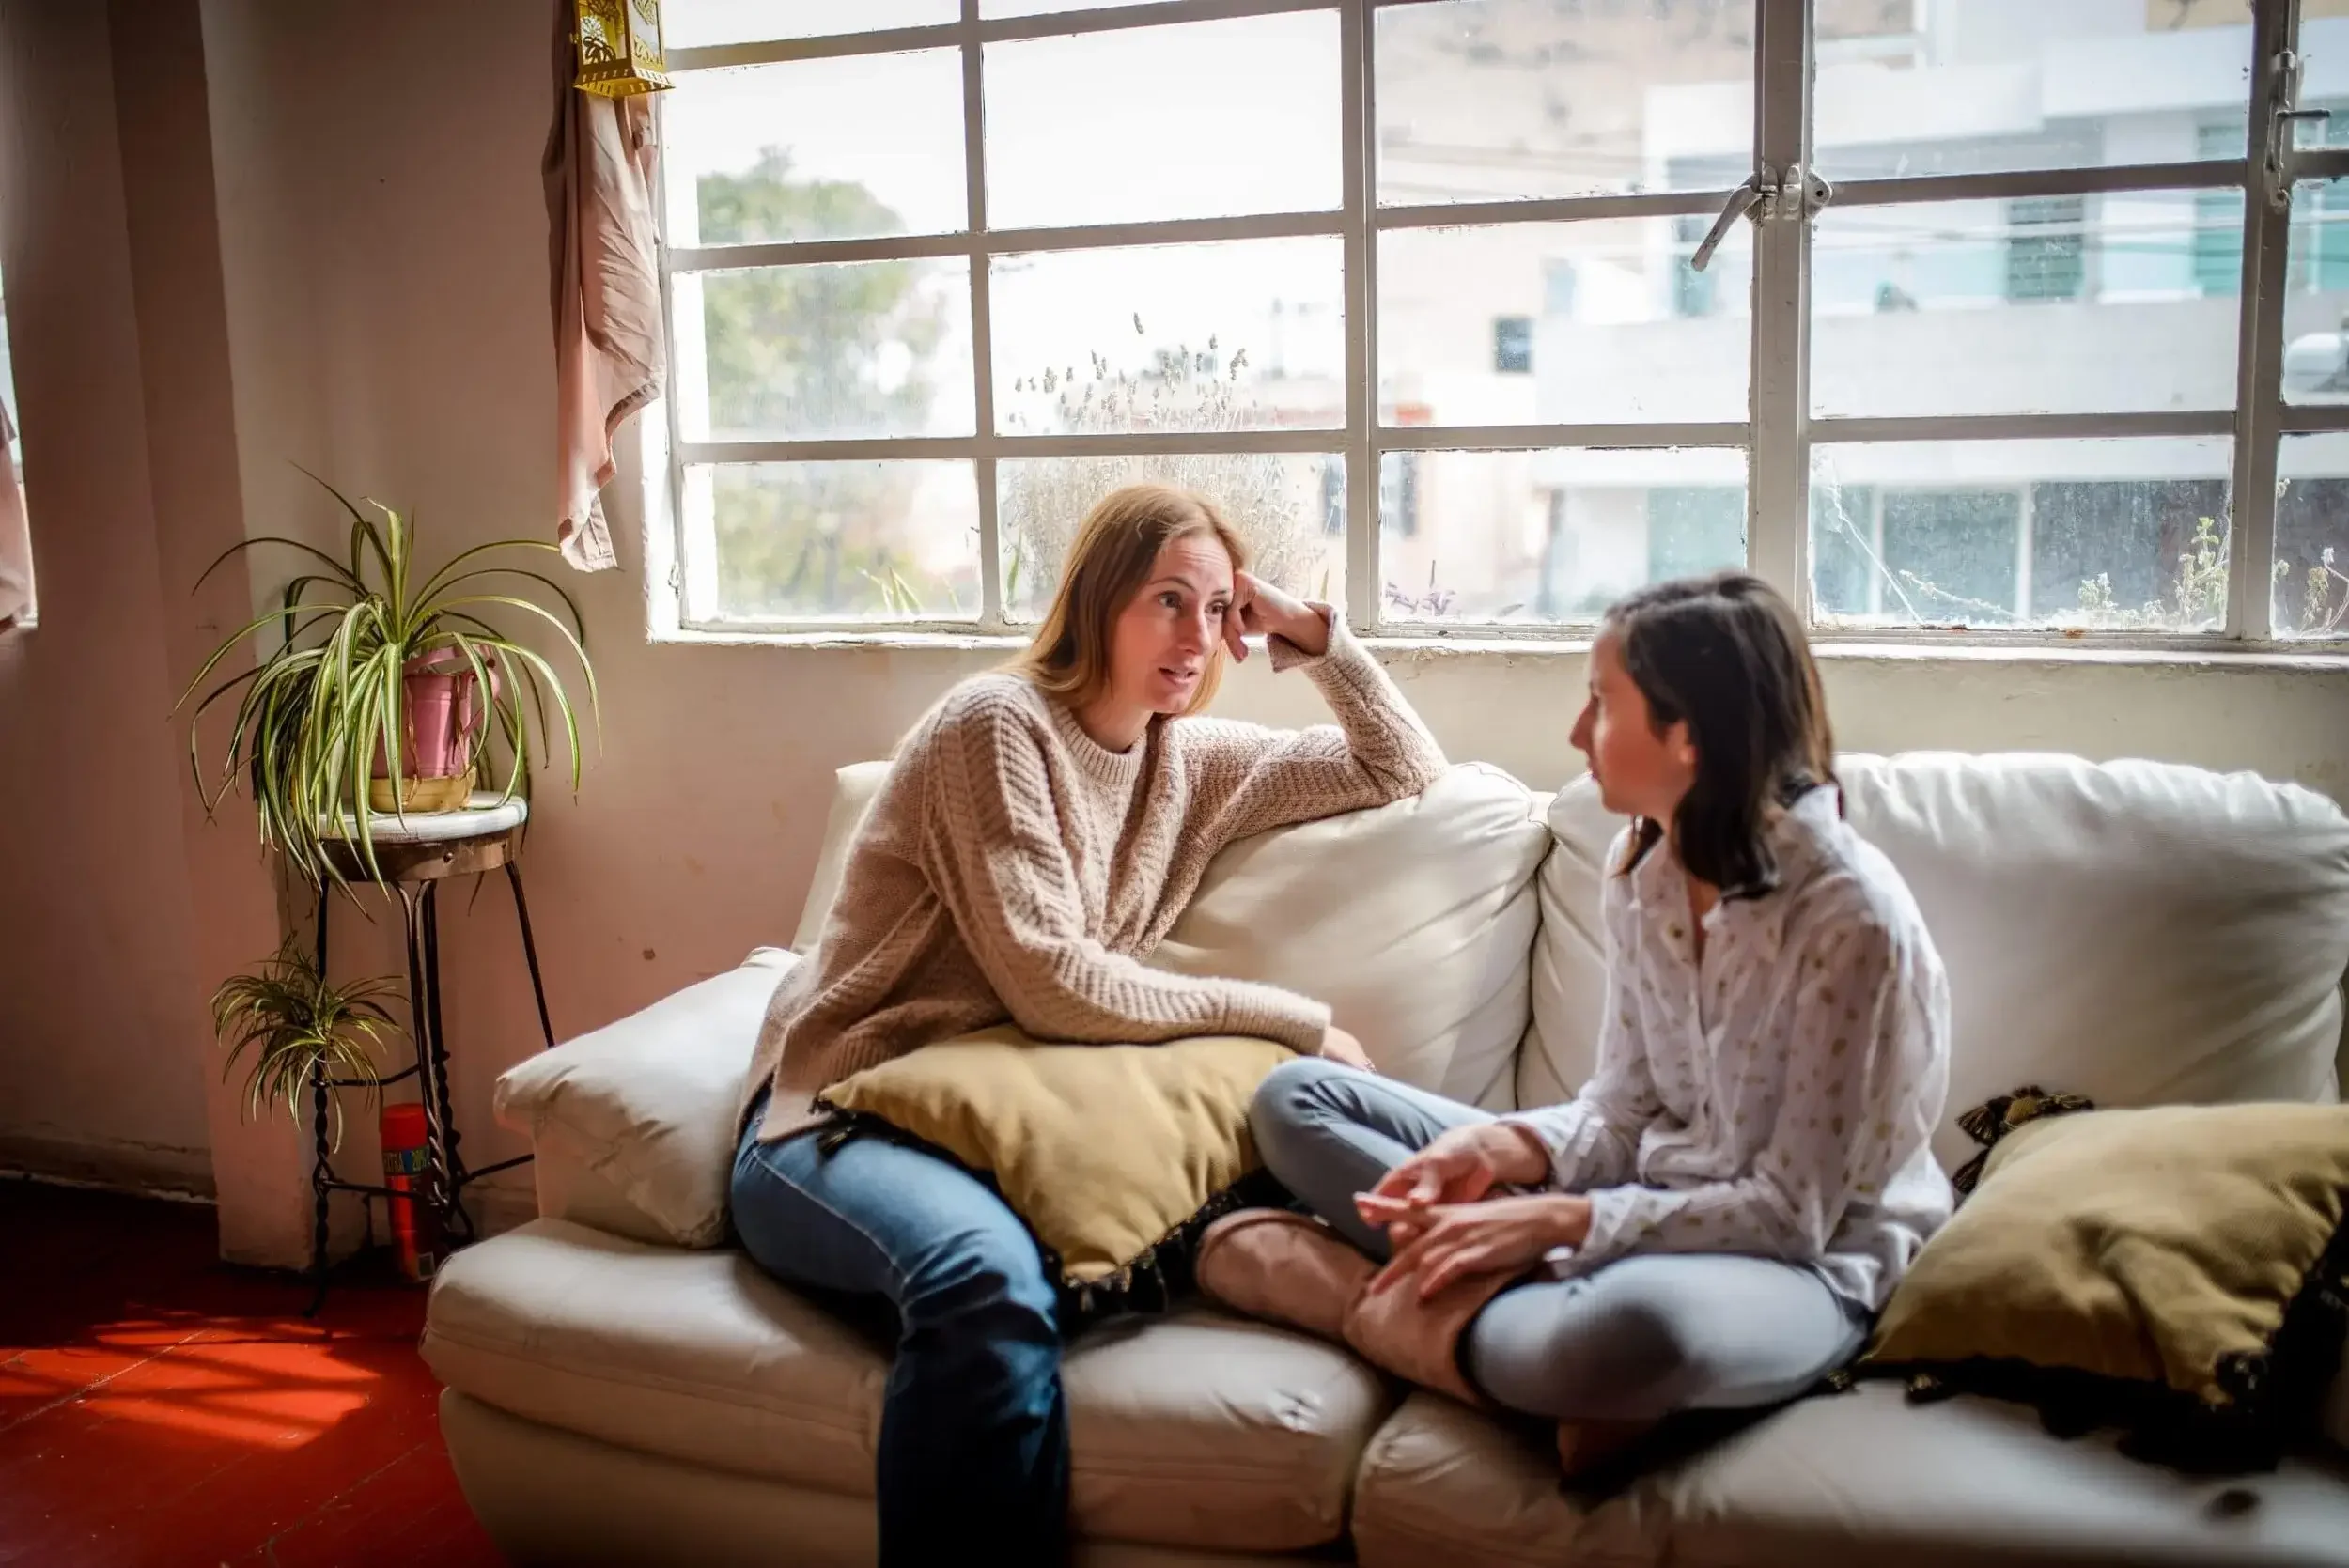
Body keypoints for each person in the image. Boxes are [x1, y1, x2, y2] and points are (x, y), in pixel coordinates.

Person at [729, 483, 1446, 1564]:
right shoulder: (995, 725)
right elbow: (1052, 980)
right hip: (834, 1117)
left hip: (1002, 1115)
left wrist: (1311, 632)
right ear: (1099, 600)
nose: (1195, 636)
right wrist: (1295, 1024)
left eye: (1215, 611)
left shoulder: (1186, 760)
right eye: (1167, 600)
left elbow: (1401, 769)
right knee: (984, 1278)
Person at [1251, 572, 1952, 1456]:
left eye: (1601, 704)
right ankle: (1498, 1309)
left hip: (1805, 1263)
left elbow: (1787, 1214)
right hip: (1646, 1199)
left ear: (1687, 735)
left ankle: (1358, 1295)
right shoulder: (1643, 863)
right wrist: (1511, 1148)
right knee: (1299, 1101)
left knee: (1629, 1340)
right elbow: (1622, 1110)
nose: (1577, 733)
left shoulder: (1850, 921)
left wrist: (1556, 1221)